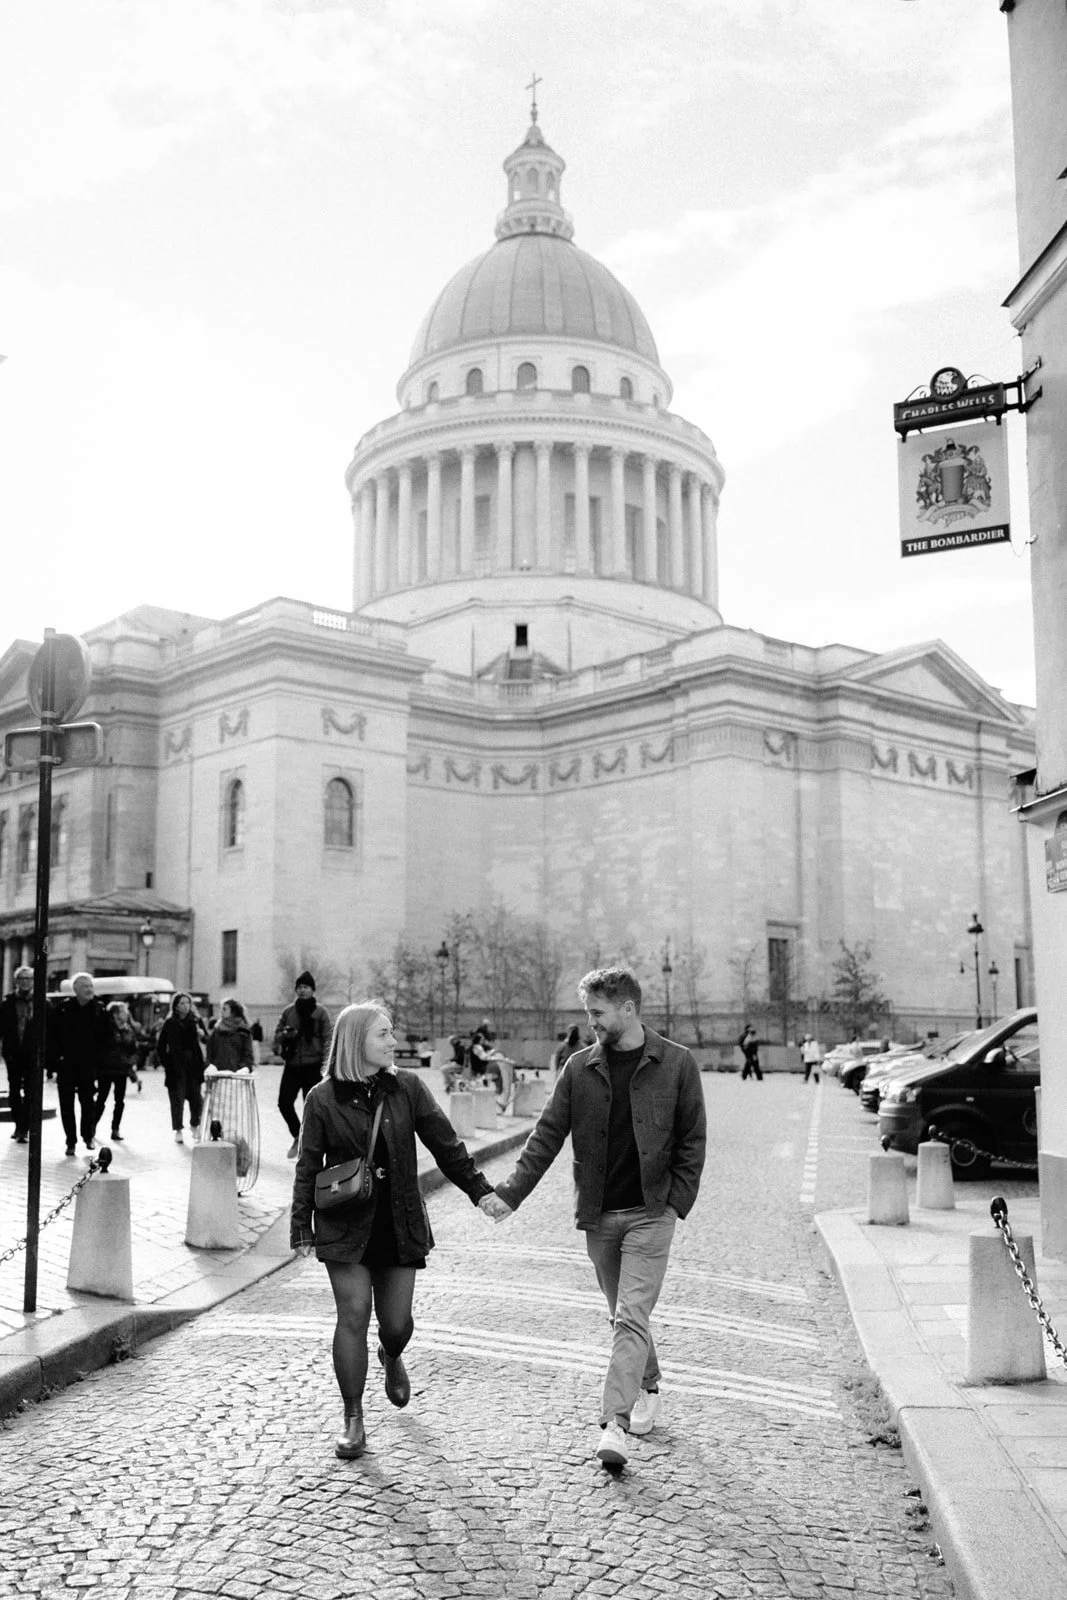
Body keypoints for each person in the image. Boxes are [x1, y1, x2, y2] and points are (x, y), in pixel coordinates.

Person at [481, 967, 707, 1471]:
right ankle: (648, 1382)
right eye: (587, 1013)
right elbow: (545, 1135)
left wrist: (676, 1202)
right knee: (624, 1315)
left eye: (597, 1013)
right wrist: (510, 1194)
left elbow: (693, 1139)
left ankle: (614, 1426)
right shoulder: (580, 1069)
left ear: (627, 1008)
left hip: (652, 1214)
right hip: (600, 1215)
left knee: (629, 1317)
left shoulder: (677, 1064)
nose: (590, 1023)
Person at [290, 1001, 500, 1461]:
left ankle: (391, 1352)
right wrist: (301, 1227)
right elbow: (308, 1165)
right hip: (344, 1224)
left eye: (391, 1033)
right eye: (383, 1034)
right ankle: (353, 1418)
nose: (392, 1041)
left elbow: (446, 1144)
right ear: (356, 1041)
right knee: (352, 1315)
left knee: (397, 1323)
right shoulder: (322, 1098)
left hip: (398, 1219)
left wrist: (479, 1190)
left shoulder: (408, 1088)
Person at [49, 973, 116, 1157]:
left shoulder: (99, 1011)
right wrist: (55, 1061)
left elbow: (109, 1038)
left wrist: (100, 1062)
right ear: (76, 989)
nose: (89, 990)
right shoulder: (63, 1010)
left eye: (91, 986)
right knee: (66, 1104)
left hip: (89, 1065)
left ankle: (88, 1135)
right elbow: (51, 1037)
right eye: (85, 986)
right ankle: (70, 1140)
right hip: (67, 1065)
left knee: (88, 1103)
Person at [273, 972, 332, 1158]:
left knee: (312, 1107)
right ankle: (298, 1135)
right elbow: (277, 1035)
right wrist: (285, 1035)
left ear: (313, 990)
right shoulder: (288, 1011)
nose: (302, 990)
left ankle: (311, 1145)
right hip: (292, 1064)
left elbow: (328, 1038)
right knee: (284, 1103)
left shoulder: (320, 1012)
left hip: (313, 1065)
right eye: (299, 987)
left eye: (306, 987)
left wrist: (327, 1064)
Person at [156, 991, 208, 1144]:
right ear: (176, 1007)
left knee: (196, 1097)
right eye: (182, 1004)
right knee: (177, 1098)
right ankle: (178, 1129)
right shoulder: (170, 1023)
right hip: (176, 1065)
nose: (186, 1006)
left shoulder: (196, 1020)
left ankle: (194, 1124)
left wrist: (201, 1034)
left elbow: (207, 1039)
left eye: (188, 1003)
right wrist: (167, 1063)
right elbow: (160, 1046)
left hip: (193, 1064)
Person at [0, 965, 37, 1144]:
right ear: (16, 981)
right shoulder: (7, 1002)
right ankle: (18, 1125)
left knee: (31, 1091)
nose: (25, 982)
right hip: (13, 1053)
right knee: (14, 1089)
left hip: (32, 1054)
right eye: (21, 979)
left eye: (28, 979)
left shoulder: (40, 1002)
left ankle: (25, 1127)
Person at [94, 1001, 139, 1141]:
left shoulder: (128, 1030)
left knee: (119, 1101)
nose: (126, 1014)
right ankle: (92, 1126)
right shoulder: (106, 1029)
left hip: (122, 1070)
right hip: (106, 1069)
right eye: (123, 1011)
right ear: (115, 1014)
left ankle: (115, 1128)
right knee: (101, 1098)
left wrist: (130, 1061)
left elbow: (134, 1049)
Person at [207, 998, 255, 1074]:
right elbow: (210, 1050)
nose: (221, 1011)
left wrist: (243, 1068)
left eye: (224, 1009)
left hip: (237, 1074)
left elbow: (248, 1054)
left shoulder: (243, 1031)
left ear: (233, 1012)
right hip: (217, 1074)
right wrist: (210, 1066)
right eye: (221, 1009)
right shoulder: (217, 1030)